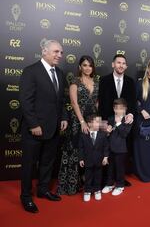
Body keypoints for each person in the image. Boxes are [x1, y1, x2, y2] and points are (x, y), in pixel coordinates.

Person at [19, 40, 68, 213]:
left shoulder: (60, 74)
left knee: (47, 162)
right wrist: (33, 124)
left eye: (61, 52)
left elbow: (61, 100)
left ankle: (43, 189)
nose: (59, 55)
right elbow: (25, 101)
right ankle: (25, 196)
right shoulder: (31, 71)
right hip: (34, 129)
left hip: (54, 128)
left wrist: (63, 117)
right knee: (29, 164)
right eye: (56, 52)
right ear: (44, 51)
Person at [57, 55, 98, 195]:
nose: (87, 68)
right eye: (85, 65)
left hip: (92, 120)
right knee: (74, 150)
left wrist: (96, 122)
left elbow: (97, 103)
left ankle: (88, 182)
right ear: (80, 67)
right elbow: (74, 103)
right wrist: (82, 122)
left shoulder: (96, 81)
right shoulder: (75, 81)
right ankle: (71, 184)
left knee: (90, 149)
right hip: (77, 121)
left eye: (90, 65)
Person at [98, 54, 135, 186]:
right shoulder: (104, 80)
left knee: (121, 153)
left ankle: (120, 178)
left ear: (126, 66)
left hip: (123, 123)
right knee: (107, 152)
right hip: (108, 123)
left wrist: (130, 114)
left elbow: (132, 102)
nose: (121, 65)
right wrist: (104, 125)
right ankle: (108, 179)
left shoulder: (130, 81)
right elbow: (101, 105)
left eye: (123, 63)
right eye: (118, 62)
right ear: (113, 64)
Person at [102, 99, 133, 195]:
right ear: (113, 109)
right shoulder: (111, 118)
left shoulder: (128, 119)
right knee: (110, 168)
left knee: (120, 168)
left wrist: (119, 123)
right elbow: (108, 133)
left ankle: (120, 186)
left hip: (121, 149)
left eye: (121, 109)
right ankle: (109, 184)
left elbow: (124, 134)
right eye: (116, 108)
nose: (118, 111)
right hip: (111, 148)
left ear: (125, 109)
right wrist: (107, 131)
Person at [79, 115, 109, 202]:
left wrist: (105, 157)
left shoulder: (102, 134)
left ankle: (97, 190)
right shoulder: (83, 134)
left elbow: (106, 147)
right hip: (88, 160)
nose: (99, 124)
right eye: (97, 122)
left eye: (99, 122)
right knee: (88, 176)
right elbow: (81, 148)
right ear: (89, 124)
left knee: (98, 176)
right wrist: (81, 159)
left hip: (99, 160)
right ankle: (87, 191)